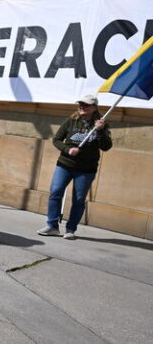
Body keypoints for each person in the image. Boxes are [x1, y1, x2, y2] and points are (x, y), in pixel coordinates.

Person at [37, 94, 112, 239]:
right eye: (80, 104)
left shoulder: (101, 124)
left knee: (78, 199)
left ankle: (70, 229)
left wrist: (100, 131)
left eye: (86, 105)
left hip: (86, 169)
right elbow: (57, 139)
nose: (82, 107)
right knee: (55, 192)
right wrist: (67, 149)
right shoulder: (71, 121)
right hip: (65, 164)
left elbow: (106, 147)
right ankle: (52, 226)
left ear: (94, 107)